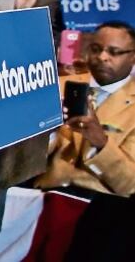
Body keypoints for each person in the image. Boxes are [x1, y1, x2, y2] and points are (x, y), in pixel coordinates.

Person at [35, 22, 135, 197]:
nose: (102, 57)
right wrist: (49, 129)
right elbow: (35, 158)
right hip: (45, 194)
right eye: (96, 49)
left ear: (133, 57)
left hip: (99, 207)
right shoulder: (63, 86)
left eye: (114, 52)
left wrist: (100, 141)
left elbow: (130, 185)